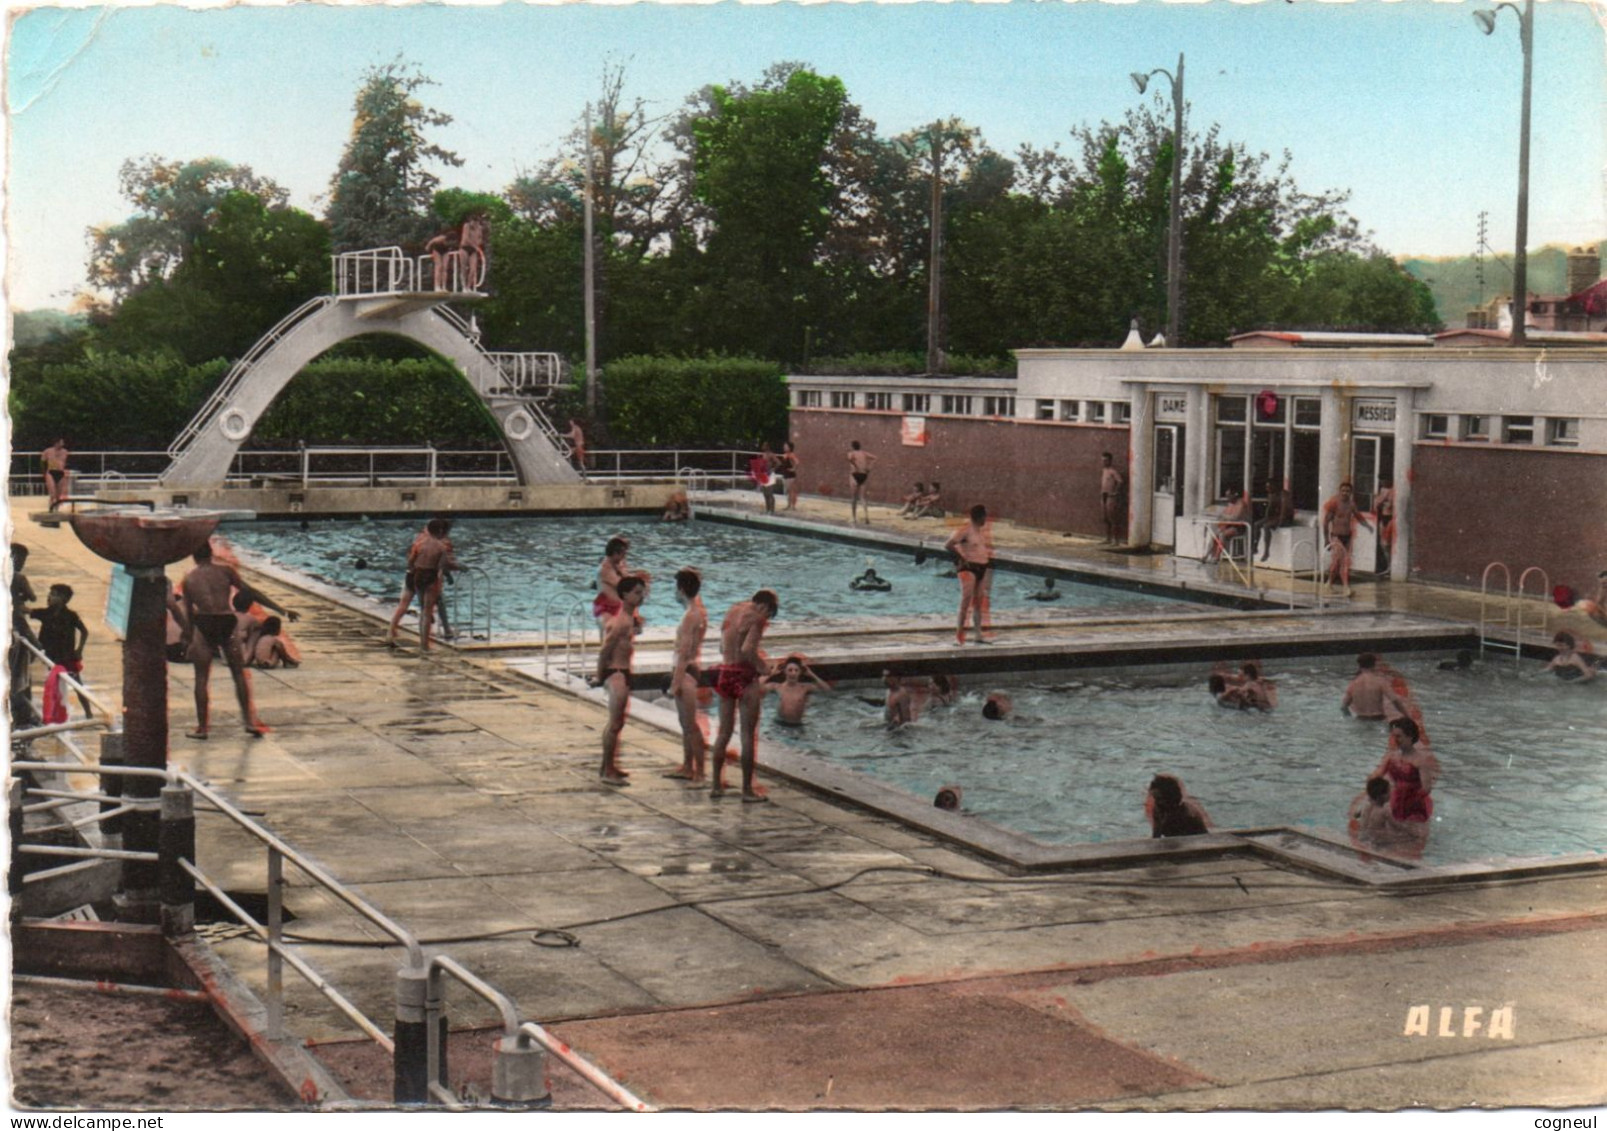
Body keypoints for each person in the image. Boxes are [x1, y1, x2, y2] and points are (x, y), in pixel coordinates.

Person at [708, 589, 780, 801]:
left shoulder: (732, 611)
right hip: (745, 676)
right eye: (768, 615)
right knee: (748, 736)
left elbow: (722, 646)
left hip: (725, 673)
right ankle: (747, 790)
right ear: (765, 607)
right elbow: (748, 649)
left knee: (724, 733)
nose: (766, 620)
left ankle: (715, 786)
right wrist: (765, 669)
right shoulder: (757, 618)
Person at [595, 576, 648, 785]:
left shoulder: (629, 617)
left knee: (618, 723)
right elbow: (604, 651)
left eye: (641, 592)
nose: (641, 596)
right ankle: (608, 771)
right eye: (637, 592)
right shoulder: (620, 622)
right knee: (615, 723)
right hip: (616, 672)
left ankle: (607, 766)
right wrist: (601, 677)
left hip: (623, 671)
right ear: (625, 595)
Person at [666, 568, 709, 782]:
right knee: (686, 724)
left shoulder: (690, 616)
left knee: (690, 724)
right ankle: (687, 766)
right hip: (691, 668)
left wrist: (674, 684)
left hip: (685, 672)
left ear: (681, 589)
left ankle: (699, 771)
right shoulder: (699, 611)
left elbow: (684, 653)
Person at [30, 583, 89, 723]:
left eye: (54, 594)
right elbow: (26, 610)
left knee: (77, 684)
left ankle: (88, 712)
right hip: (52, 657)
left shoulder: (71, 616)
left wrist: (79, 650)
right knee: (53, 686)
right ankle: (53, 716)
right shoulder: (45, 613)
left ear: (63, 598)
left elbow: (84, 631)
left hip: (68, 657)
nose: (49, 597)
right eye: (50, 594)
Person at [945, 504, 995, 646]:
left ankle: (978, 635)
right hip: (968, 568)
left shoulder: (979, 531)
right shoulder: (964, 530)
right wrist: (961, 558)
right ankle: (959, 636)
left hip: (981, 567)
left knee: (979, 602)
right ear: (979, 516)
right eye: (985, 516)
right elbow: (948, 544)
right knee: (966, 600)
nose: (986, 519)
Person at [1374, 716, 1438, 825]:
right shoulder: (1392, 757)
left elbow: (1426, 788)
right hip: (1395, 800)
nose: (1395, 740)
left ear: (1410, 736)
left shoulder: (1421, 760)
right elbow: (1377, 777)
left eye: (1399, 736)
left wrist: (1410, 803)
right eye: (1394, 736)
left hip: (1414, 806)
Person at [1321, 481, 1373, 597]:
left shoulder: (1351, 504)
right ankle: (1344, 586)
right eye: (1343, 491)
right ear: (1339, 491)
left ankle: (1330, 583)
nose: (1345, 493)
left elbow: (1358, 516)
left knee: (1343, 562)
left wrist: (1367, 526)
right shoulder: (1334, 503)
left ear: (1351, 493)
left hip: (1347, 536)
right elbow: (1325, 522)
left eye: (1347, 491)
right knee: (1338, 561)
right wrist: (1326, 539)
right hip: (1336, 536)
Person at [593, 535, 649, 630]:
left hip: (619, 604)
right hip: (608, 607)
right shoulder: (605, 569)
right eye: (623, 554)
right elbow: (622, 585)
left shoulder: (617, 565)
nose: (624, 557)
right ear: (615, 553)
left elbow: (626, 577)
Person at [9, 544, 39, 711]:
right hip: (17, 624)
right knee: (33, 652)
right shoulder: (19, 578)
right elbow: (32, 597)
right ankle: (25, 709)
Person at [1341, 653, 1411, 720]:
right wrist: (1407, 717)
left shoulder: (1353, 684)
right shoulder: (1380, 681)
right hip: (1378, 719)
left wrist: (1349, 719)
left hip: (1361, 719)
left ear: (1359, 666)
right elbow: (1395, 701)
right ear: (1374, 664)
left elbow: (1344, 707)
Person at [767, 655, 831, 727]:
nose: (793, 673)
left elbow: (827, 690)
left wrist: (812, 675)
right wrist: (771, 673)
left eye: (796, 670)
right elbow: (758, 687)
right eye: (790, 670)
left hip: (798, 725)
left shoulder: (805, 687)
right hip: (780, 724)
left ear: (800, 672)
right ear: (785, 671)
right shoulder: (777, 687)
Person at [1147, 774, 1211, 838]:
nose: (1156, 802)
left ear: (1170, 798)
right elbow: (1156, 835)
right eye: (1154, 798)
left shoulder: (1188, 815)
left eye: (1159, 799)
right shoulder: (1159, 810)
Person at [1205, 487, 1252, 564]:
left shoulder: (1241, 504)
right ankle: (1207, 555)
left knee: (1222, 535)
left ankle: (1217, 556)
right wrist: (1223, 516)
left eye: (1229, 496)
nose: (1227, 498)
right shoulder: (1231, 504)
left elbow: (1235, 517)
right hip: (1230, 525)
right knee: (1215, 534)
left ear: (1235, 495)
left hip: (1239, 527)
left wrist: (1224, 516)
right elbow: (1225, 515)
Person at [1253, 479, 1293, 562]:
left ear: (1274, 486)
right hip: (1275, 516)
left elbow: (1284, 510)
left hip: (1286, 518)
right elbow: (1270, 509)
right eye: (1266, 487)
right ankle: (1255, 546)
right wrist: (1266, 518)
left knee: (1266, 526)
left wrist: (1279, 522)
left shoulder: (1284, 494)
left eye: (1269, 487)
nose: (1267, 489)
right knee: (1257, 524)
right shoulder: (1272, 495)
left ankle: (1266, 551)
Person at [847, 441, 877, 525]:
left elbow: (850, 460)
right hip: (864, 475)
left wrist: (855, 466)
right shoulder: (864, 453)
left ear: (852, 446)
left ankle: (853, 518)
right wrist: (869, 467)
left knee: (853, 498)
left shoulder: (851, 453)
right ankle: (866, 517)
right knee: (862, 497)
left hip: (855, 474)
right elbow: (875, 458)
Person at [1099, 452, 1124, 545]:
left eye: (1105, 460)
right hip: (1104, 495)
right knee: (1105, 518)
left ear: (1110, 460)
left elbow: (1120, 481)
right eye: (1102, 460)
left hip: (1111, 496)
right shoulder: (1104, 471)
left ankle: (1115, 540)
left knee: (1112, 518)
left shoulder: (1113, 471)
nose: (1103, 462)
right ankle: (1107, 538)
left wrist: (1115, 492)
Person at [1374, 477, 1397, 569]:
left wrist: (1382, 499)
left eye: (1384, 479)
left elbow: (1383, 503)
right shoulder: (1383, 490)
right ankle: (1388, 564)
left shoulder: (1392, 491)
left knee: (1386, 543)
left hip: (1390, 518)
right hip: (1383, 518)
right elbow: (1376, 504)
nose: (1382, 482)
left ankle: (1391, 565)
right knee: (1383, 543)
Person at [41, 439, 69, 510]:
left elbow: (67, 464)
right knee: (52, 494)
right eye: (61, 442)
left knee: (58, 496)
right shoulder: (48, 451)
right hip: (51, 472)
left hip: (60, 473)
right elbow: (42, 462)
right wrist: (44, 473)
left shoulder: (65, 452)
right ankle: (51, 509)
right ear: (56, 443)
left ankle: (57, 510)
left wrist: (66, 474)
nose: (63, 444)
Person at [749, 443, 778, 514]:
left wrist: (772, 469)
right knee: (765, 494)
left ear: (768, 446)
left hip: (770, 475)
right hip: (764, 474)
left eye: (764, 445)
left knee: (770, 493)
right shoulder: (762, 454)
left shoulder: (771, 454)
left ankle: (772, 510)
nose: (763, 447)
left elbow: (778, 462)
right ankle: (767, 509)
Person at [779, 441, 801, 510]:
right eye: (784, 446)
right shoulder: (784, 455)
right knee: (788, 491)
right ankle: (788, 505)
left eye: (786, 446)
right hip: (785, 474)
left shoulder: (791, 455)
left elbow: (797, 462)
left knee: (792, 491)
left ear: (790, 447)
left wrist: (793, 469)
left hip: (790, 475)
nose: (784, 447)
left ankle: (793, 506)